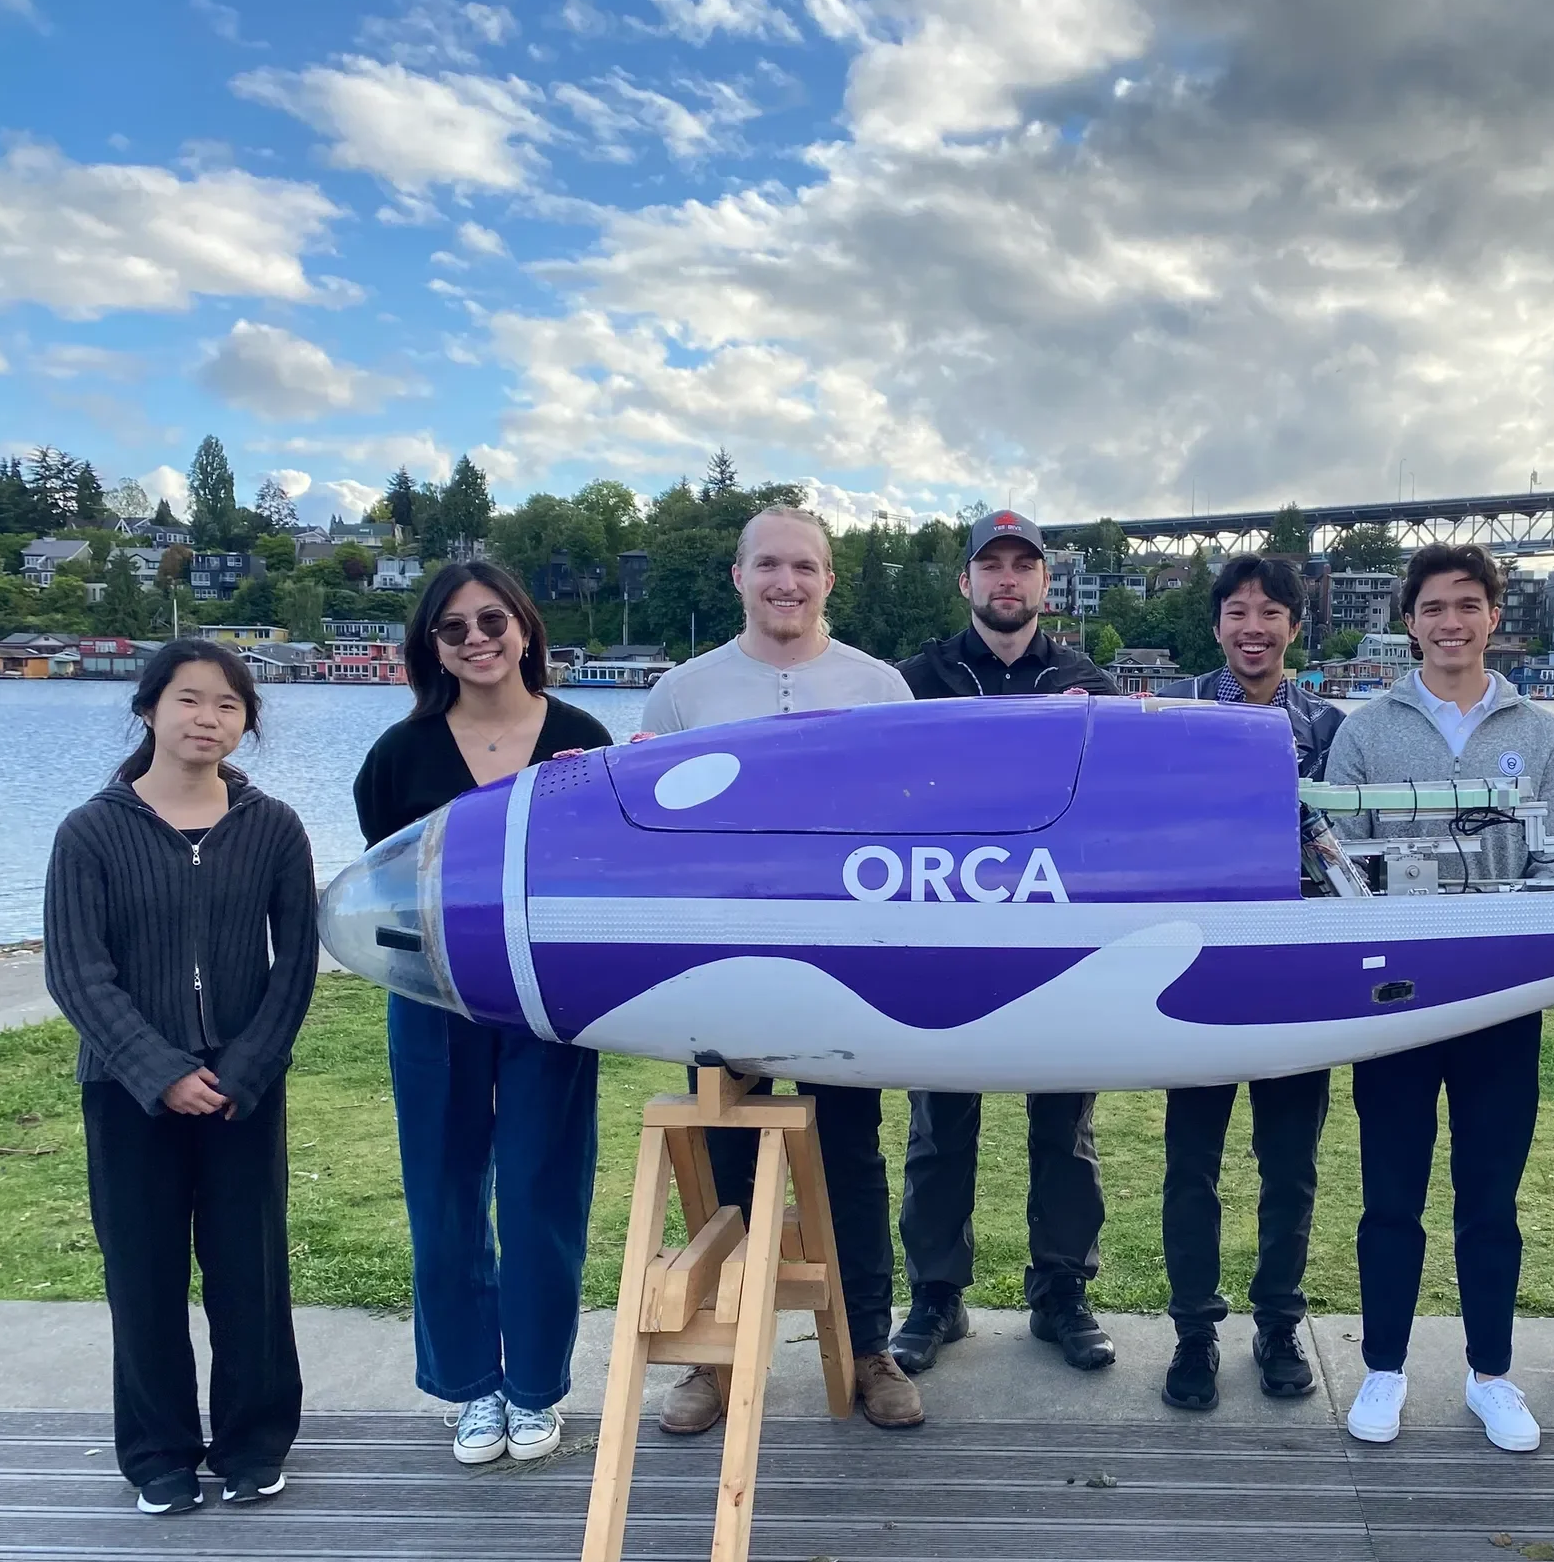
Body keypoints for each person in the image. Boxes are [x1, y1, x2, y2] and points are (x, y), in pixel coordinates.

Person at [636, 506, 925, 1431]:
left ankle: (870, 1347)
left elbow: (916, 829)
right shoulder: (682, 692)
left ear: (829, 580)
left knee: (849, 1159)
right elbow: (648, 832)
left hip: (847, 971)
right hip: (721, 972)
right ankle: (717, 1361)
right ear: (738, 577)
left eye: (804, 566)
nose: (785, 583)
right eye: (768, 565)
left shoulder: (881, 688)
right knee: (725, 1155)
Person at [44, 640, 317, 1515]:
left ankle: (253, 1442)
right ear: (150, 708)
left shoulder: (272, 826)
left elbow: (296, 963)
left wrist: (244, 1068)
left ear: (246, 723)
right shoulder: (90, 831)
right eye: (191, 700)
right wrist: (158, 1071)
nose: (209, 719)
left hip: (243, 1090)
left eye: (229, 706)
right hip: (128, 1095)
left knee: (249, 1270)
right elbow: (77, 972)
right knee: (145, 1272)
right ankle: (159, 1453)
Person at [352, 560, 612, 1467]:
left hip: (548, 1002)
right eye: (453, 629)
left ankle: (536, 1386)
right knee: (444, 1190)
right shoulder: (399, 755)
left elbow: (606, 880)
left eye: (492, 621)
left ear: (526, 629)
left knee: (544, 1187)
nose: (477, 641)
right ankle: (470, 1388)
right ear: (433, 649)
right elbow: (384, 891)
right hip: (432, 1002)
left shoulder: (582, 742)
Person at [1324, 544, 1554, 1450]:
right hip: (1394, 993)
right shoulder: (1365, 729)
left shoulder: (1541, 734)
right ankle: (1385, 1369)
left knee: (1490, 1197)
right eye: (1433, 607)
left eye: (1468, 606)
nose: (1451, 623)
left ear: (1493, 617)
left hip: (1502, 998)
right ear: (1411, 621)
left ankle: (1492, 1374)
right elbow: (1341, 854)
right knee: (1390, 1192)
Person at [890, 509, 1123, 1372]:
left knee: (1066, 1126)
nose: (1008, 580)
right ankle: (935, 1296)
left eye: (1024, 566)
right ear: (966, 582)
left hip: (1059, 933)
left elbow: (1110, 816)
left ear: (1045, 585)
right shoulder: (913, 680)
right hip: (943, 932)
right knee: (938, 1123)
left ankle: (1061, 1290)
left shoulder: (1087, 682)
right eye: (992, 566)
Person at [1153, 556, 1343, 1410]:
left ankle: (1277, 1323)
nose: (1253, 629)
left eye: (1270, 613)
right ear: (1217, 625)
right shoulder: (1171, 713)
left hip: (1298, 967)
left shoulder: (1331, 727)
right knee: (1191, 1161)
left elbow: (1347, 839)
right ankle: (1193, 1329)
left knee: (1290, 1164)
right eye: (1237, 613)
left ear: (1294, 628)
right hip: (1197, 962)